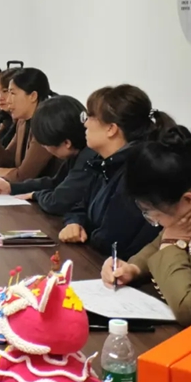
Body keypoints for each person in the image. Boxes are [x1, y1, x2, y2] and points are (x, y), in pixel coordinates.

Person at [101, 126, 191, 326]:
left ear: (188, 201)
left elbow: (189, 308)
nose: (155, 222)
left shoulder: (186, 222)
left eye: (153, 214)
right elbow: (159, 242)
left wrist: (172, 242)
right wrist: (132, 268)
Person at [60, 84, 173, 259]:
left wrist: (85, 232)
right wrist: (74, 223)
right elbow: (80, 206)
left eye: (90, 116)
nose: (85, 123)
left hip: (122, 267)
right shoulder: (104, 163)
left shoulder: (138, 171)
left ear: (111, 129)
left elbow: (112, 240)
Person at [0, 95, 98, 216]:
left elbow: (57, 201)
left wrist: (35, 195)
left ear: (66, 143)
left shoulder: (89, 160)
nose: (46, 149)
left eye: (46, 144)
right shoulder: (76, 154)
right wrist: (12, 187)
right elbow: (54, 183)